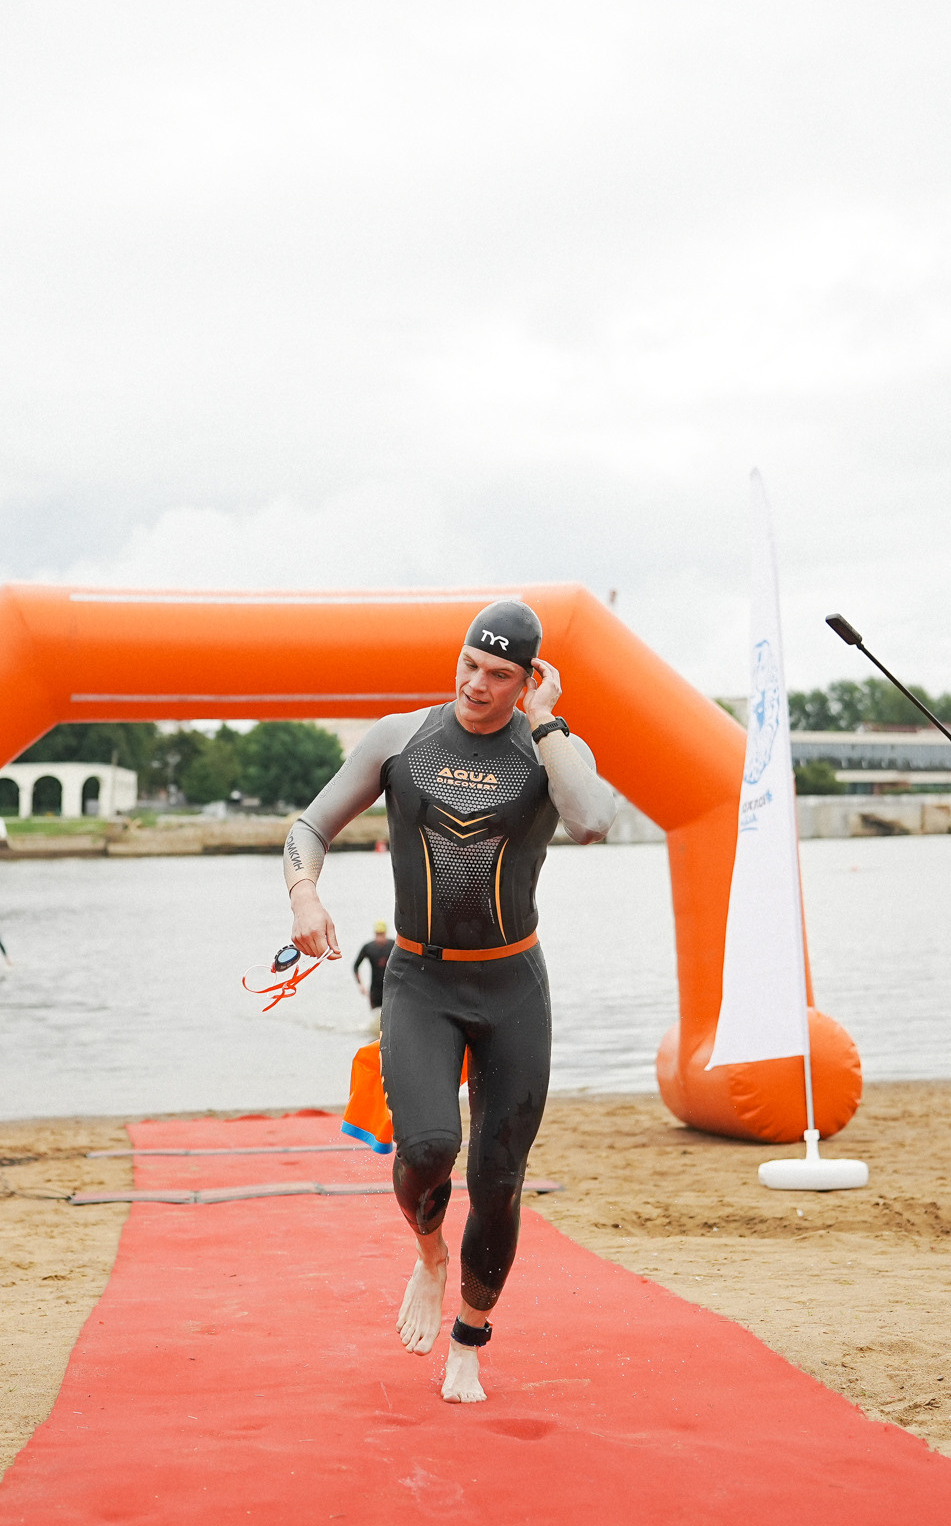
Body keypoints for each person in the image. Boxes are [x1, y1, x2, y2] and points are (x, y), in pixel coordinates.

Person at [283, 599, 612, 1403]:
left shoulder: (548, 748)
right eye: (469, 663)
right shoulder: (401, 737)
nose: (477, 683)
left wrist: (545, 724)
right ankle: (429, 1254)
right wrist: (303, 894)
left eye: (500, 674)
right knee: (428, 1148)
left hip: (512, 985)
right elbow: (312, 824)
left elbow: (595, 821)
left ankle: (470, 1337)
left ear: (529, 680)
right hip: (421, 980)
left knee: (499, 1176)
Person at [353, 921, 395, 1032]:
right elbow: (356, 966)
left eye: (382, 934)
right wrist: (360, 985)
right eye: (378, 934)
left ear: (386, 933)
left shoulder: (393, 946)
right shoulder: (368, 948)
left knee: (390, 1016)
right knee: (376, 1018)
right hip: (375, 990)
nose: (380, 937)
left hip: (390, 988)